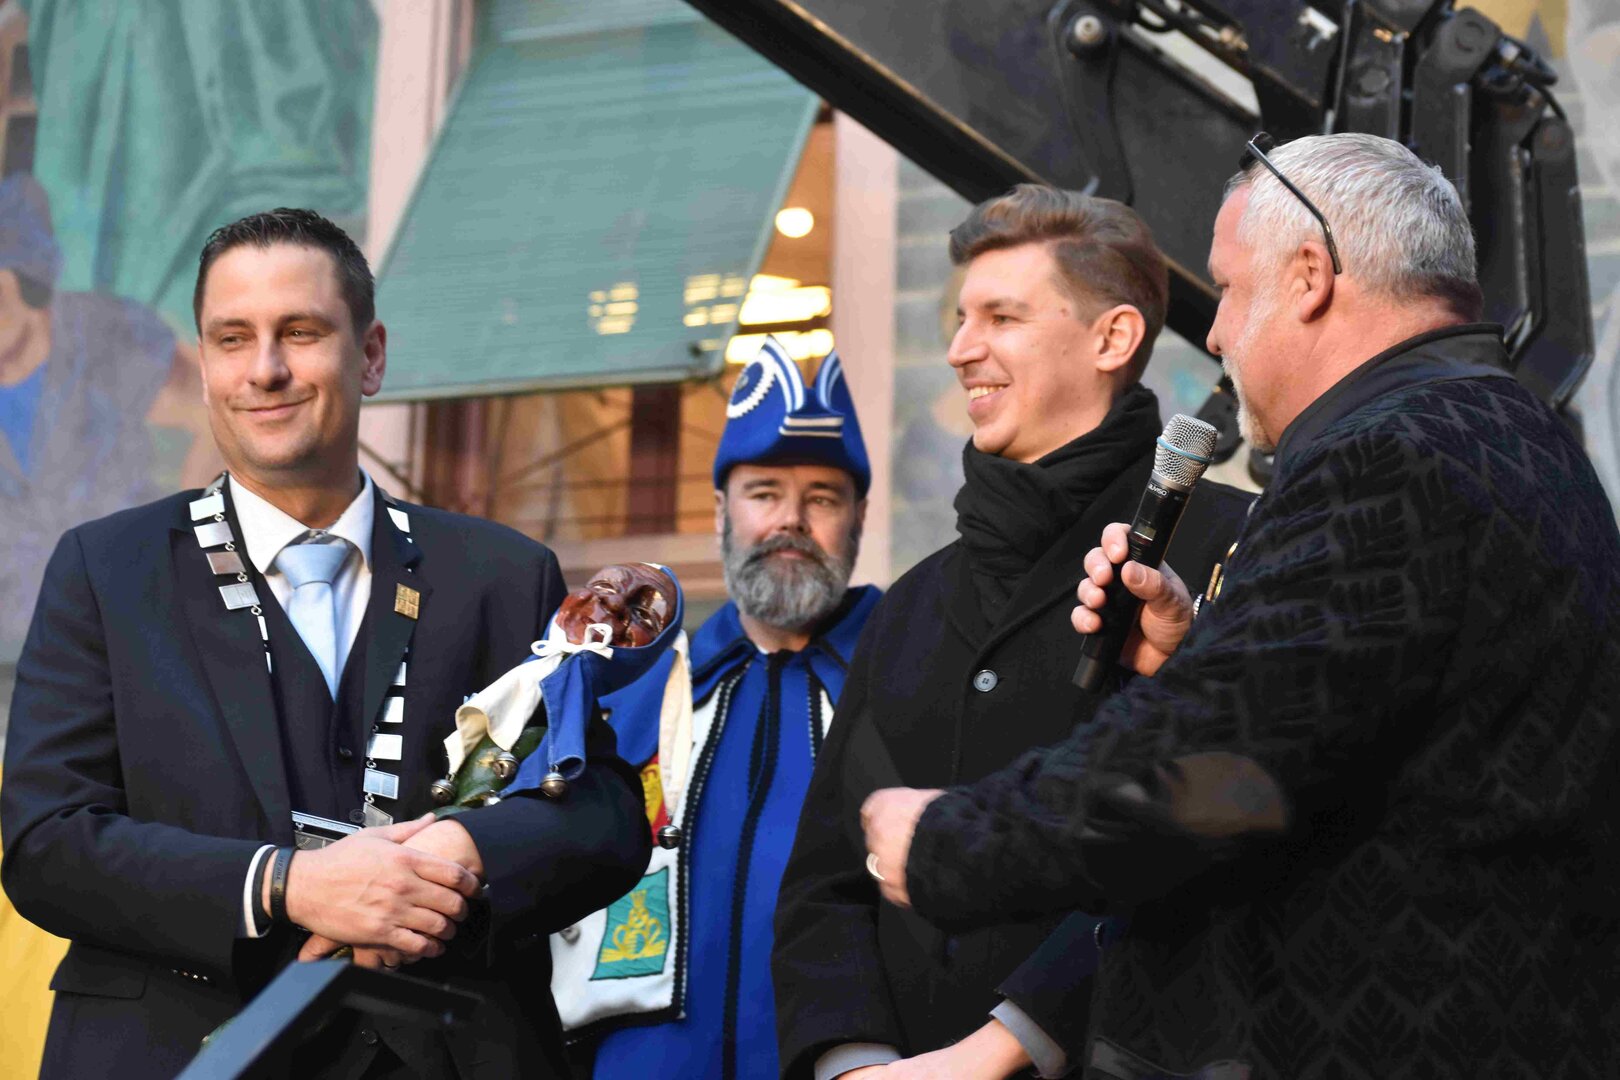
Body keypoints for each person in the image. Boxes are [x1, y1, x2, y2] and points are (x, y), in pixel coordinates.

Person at [860, 133, 1620, 1077]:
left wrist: (948, 843)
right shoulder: (1511, 433)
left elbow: (1215, 768)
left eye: (1227, 288)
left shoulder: (1389, 455)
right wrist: (1195, 658)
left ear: (1309, 277)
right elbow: (1362, 739)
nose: (1216, 334)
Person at [0, 208, 650, 1079]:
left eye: (300, 332)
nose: (265, 369)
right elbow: (47, 843)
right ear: (205, 367)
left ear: (370, 355)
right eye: (232, 339)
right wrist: (285, 884)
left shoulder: (502, 573)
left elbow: (606, 815)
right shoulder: (105, 570)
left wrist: (465, 856)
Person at [772, 187, 1251, 1080]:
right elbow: (826, 881)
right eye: (962, 319)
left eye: (1001, 317)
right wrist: (853, 1061)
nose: (961, 349)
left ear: (1112, 339)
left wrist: (1006, 1047)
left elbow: (1207, 842)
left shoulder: (1233, 546)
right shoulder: (910, 603)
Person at [554, 338, 882, 1080]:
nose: (790, 521)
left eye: (823, 498)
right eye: (764, 493)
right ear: (720, 514)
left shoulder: (904, 684)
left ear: (859, 517)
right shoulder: (636, 693)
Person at [0, 174, 212, 662]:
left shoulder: (101, 333)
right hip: (23, 650)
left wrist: (182, 556)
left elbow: (214, 416)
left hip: (131, 627)